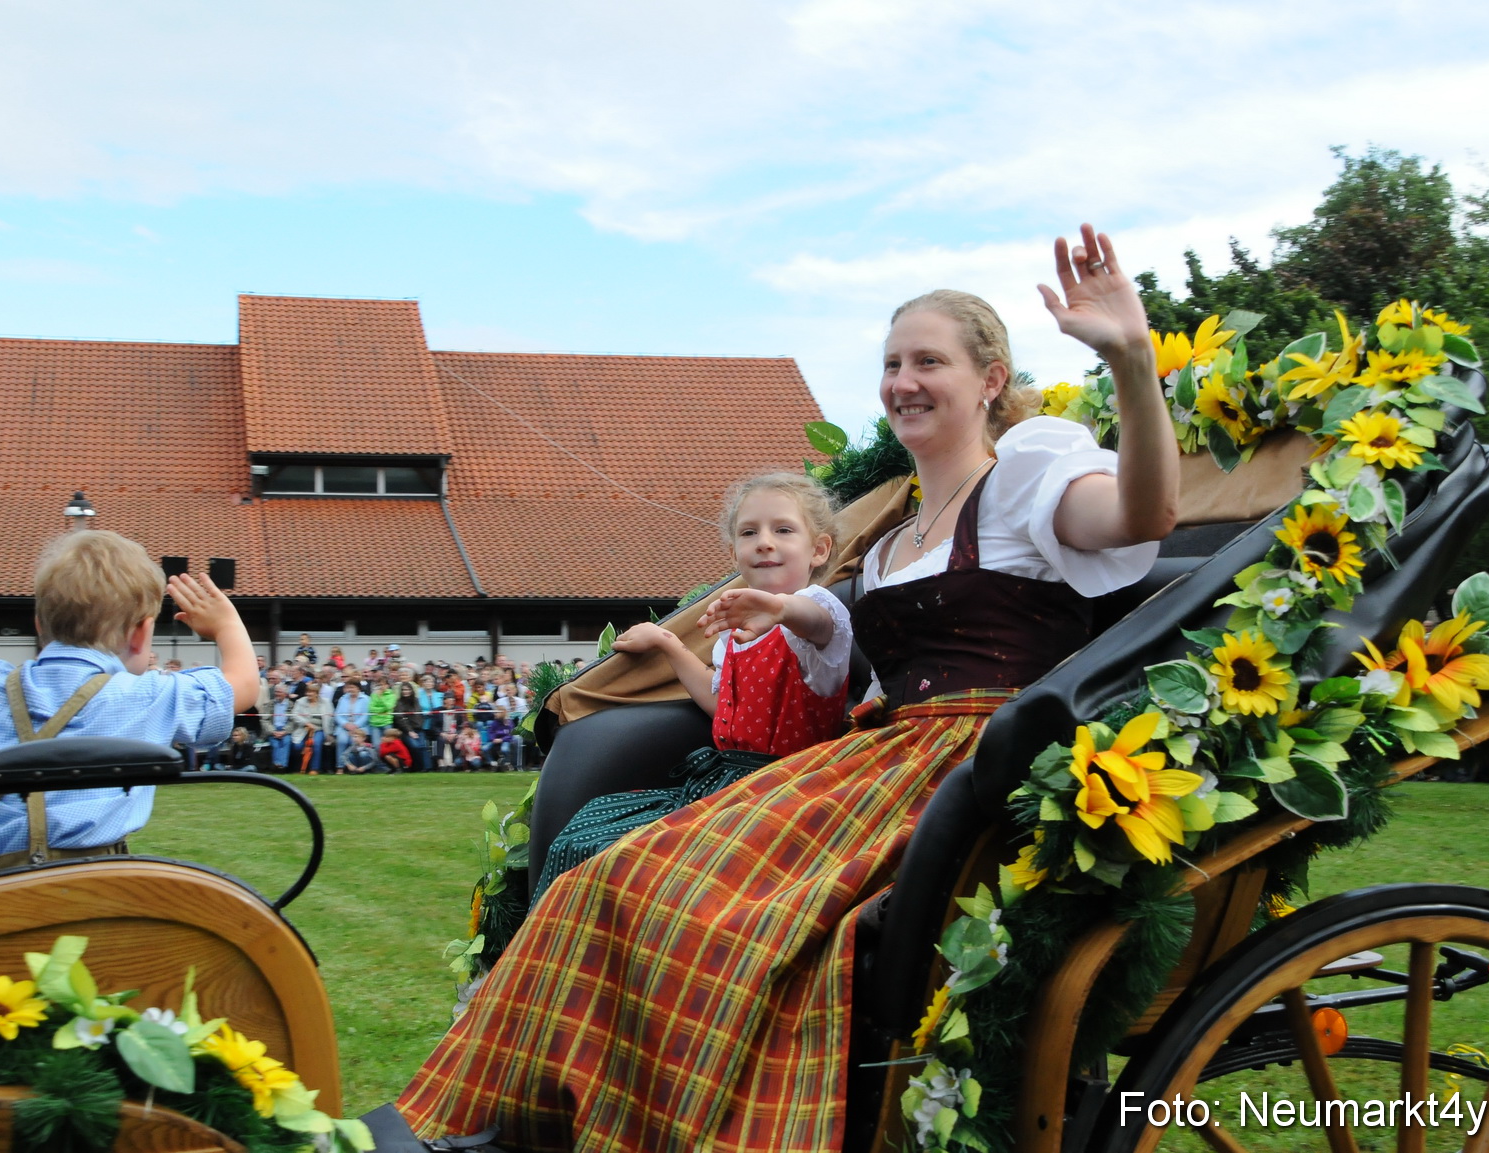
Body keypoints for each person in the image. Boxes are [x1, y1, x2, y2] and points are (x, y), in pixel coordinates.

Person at [396, 225, 1176, 1149]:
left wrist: (1130, 360)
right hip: (875, 754)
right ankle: (531, 1120)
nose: (903, 382)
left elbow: (1141, 512)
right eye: (891, 364)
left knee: (708, 910)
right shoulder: (887, 540)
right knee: (602, 881)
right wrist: (796, 614)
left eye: (929, 361)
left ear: (991, 378)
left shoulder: (1025, 487)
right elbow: (843, 647)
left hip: (972, 765)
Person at [535, 472, 853, 897]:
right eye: (749, 532)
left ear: (818, 549)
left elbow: (816, 621)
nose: (764, 541)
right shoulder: (732, 633)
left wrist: (777, 607)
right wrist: (668, 642)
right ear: (734, 551)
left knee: (651, 867)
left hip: (787, 790)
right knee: (587, 835)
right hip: (726, 783)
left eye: (783, 530)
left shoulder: (816, 612)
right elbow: (722, 702)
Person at [0, 532, 259, 872]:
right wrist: (227, 626)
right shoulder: (149, 696)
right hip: (92, 891)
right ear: (141, 634)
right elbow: (242, 685)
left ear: (39, 625)